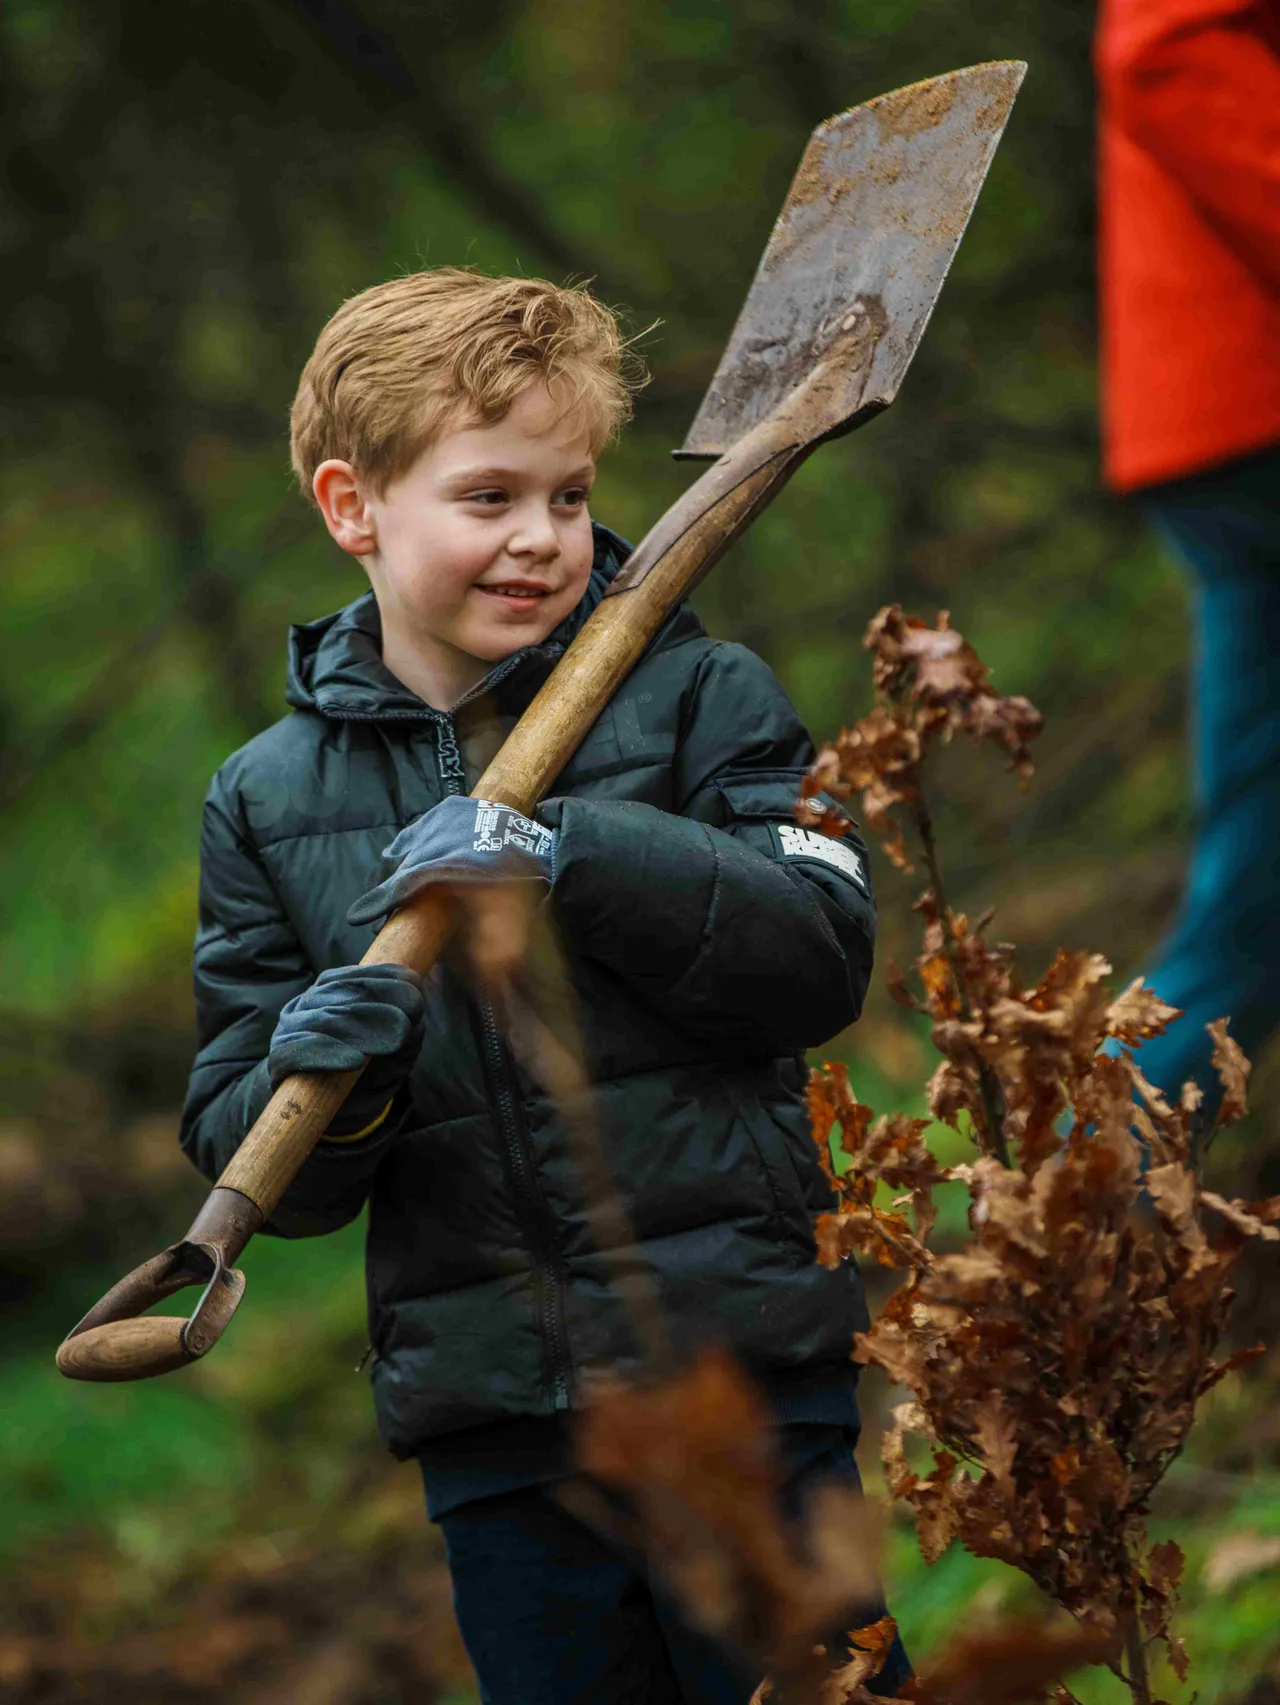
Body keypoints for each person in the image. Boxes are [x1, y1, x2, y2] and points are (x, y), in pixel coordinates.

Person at [178, 268, 907, 1702]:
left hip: (735, 1375)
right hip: (497, 1418)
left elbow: (820, 958)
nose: (540, 540)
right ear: (352, 507)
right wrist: (342, 1077)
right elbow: (260, 1152)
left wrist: (571, 847)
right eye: (489, 498)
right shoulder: (265, 800)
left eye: (568, 498)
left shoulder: (704, 698)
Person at [1095, 0, 1280, 1102]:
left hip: (1221, 404)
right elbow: (1164, 47)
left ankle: (1063, 1220)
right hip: (1250, 393)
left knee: (1254, 885)